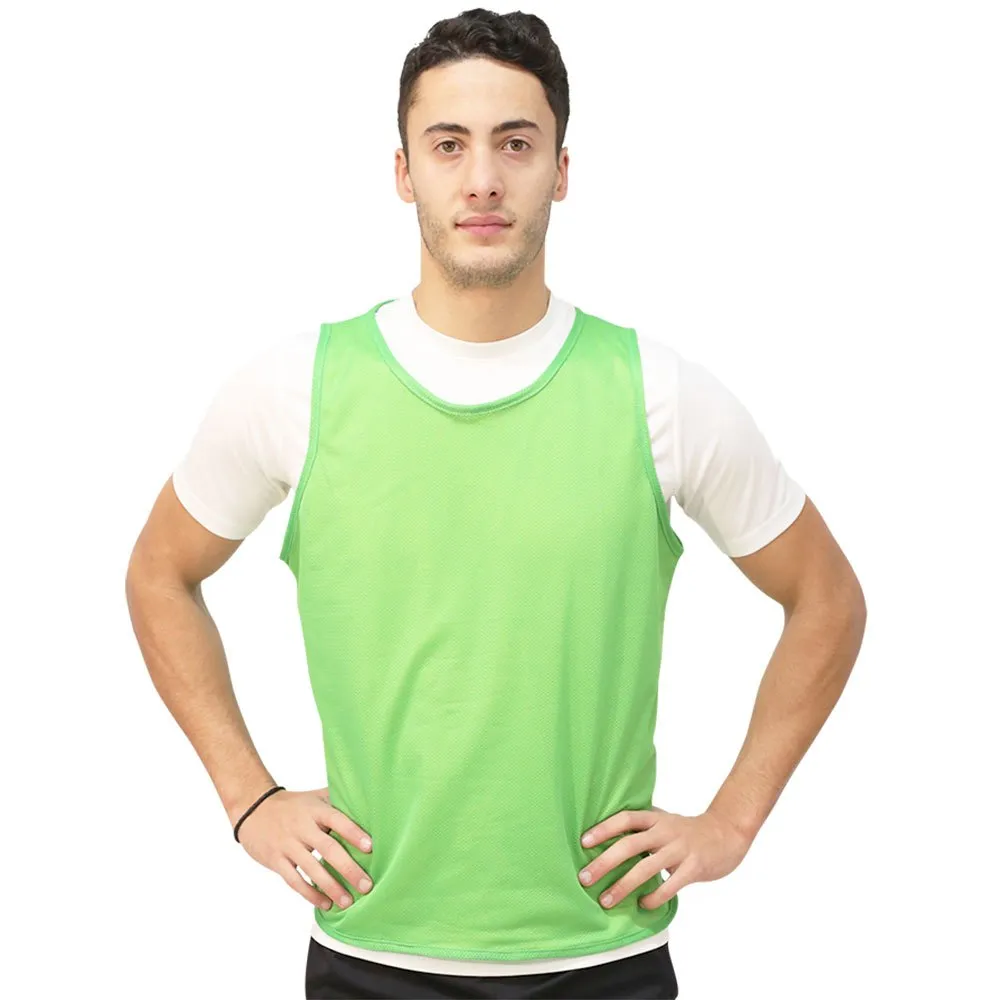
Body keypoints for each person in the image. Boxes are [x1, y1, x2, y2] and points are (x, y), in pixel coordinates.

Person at [125, 9, 867, 999]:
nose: (481, 179)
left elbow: (827, 598)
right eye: (449, 145)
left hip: (603, 961)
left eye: (515, 144)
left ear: (560, 170)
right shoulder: (295, 388)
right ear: (403, 173)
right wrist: (248, 798)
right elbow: (159, 572)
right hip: (371, 956)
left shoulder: (659, 392)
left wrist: (731, 820)